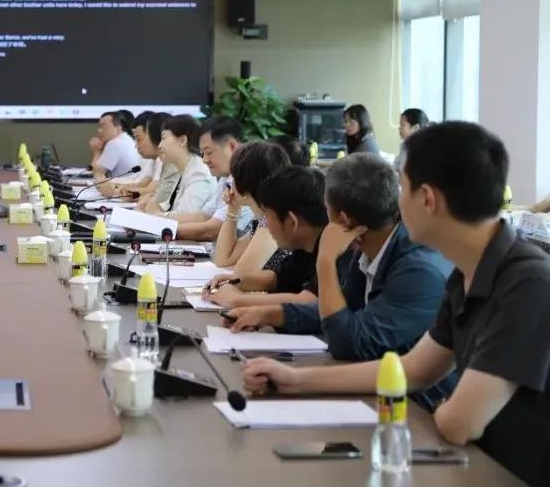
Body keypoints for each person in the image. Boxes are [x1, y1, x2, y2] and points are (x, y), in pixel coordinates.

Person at [243, 122, 550, 486]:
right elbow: (413, 370)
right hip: (471, 463)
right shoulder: (467, 273)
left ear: (427, 199)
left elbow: (459, 423)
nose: (393, 201)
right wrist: (296, 380)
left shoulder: (528, 282)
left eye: (401, 187)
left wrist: (445, 410)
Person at [224, 154, 456, 406]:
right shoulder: (369, 246)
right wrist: (272, 314)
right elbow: (344, 312)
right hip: (378, 389)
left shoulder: (418, 271)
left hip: (419, 409)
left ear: (343, 220)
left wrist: (325, 261)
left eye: (327, 210)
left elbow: (347, 343)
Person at [205, 166, 330, 308]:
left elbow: (311, 300)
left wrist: (237, 299)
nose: (265, 226)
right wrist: (235, 281)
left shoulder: (334, 250)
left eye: (268, 217)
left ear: (292, 222)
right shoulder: (306, 245)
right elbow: (277, 277)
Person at [153, 116, 252, 241]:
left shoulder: (247, 176)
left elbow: (212, 230)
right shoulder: (227, 176)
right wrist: (156, 220)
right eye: (203, 153)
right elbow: (204, 216)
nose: (204, 160)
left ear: (232, 145)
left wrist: (160, 229)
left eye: (209, 152)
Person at [210, 142, 290, 272]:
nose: (231, 183)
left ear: (246, 182)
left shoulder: (274, 221)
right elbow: (223, 260)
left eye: (234, 177)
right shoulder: (263, 218)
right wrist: (232, 211)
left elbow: (242, 274)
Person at [154, 115, 215, 220]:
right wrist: (153, 206)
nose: (160, 145)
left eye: (163, 138)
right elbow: (169, 205)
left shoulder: (199, 172)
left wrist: (155, 214)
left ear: (182, 140)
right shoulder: (184, 167)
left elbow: (184, 217)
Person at [89, 110, 141, 180]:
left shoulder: (115, 143)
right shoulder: (127, 139)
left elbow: (97, 173)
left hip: (123, 185)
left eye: (103, 126)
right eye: (100, 126)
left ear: (118, 127)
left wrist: (96, 151)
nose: (99, 130)